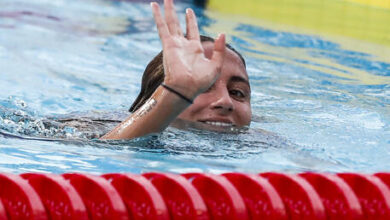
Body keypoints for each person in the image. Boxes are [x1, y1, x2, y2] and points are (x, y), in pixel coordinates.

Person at [101, 0, 251, 140]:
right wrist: (177, 93)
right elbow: (106, 151)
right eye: (202, 88)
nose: (225, 101)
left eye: (237, 92)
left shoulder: (262, 143)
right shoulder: (97, 125)